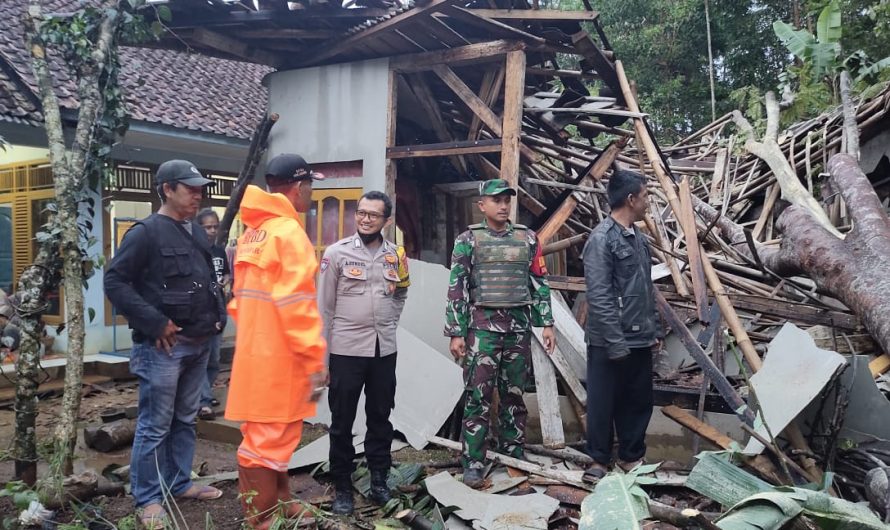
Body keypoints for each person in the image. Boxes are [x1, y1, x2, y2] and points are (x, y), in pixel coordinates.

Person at [104, 160, 226, 528]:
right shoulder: (145, 233)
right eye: (189, 188)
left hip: (198, 342)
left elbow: (206, 280)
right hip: (163, 349)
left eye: (199, 187)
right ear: (167, 190)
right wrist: (154, 322)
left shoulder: (195, 233)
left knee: (185, 420)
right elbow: (115, 283)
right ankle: (147, 497)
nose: (197, 194)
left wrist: (218, 314)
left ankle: (178, 482)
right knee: (155, 424)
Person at [224, 154, 327, 529]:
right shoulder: (289, 233)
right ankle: (263, 519)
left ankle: (281, 500)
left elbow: (238, 300)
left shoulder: (253, 234)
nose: (311, 195)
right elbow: (297, 306)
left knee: (267, 435)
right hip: (283, 356)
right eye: (311, 187)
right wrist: (314, 360)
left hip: (255, 352)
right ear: (299, 188)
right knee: (268, 441)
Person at [444, 178, 556, 488]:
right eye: (496, 200)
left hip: (518, 329)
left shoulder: (528, 238)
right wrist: (456, 332)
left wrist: (546, 323)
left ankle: (513, 454)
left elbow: (539, 282)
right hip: (482, 330)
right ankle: (473, 462)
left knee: (514, 396)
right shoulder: (469, 240)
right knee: (478, 397)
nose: (504, 205)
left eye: (507, 199)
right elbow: (457, 287)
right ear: (482, 205)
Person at [318, 191, 410, 515]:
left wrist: (389, 322)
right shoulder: (337, 254)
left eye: (373, 215)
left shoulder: (396, 255)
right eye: (361, 213)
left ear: (386, 220)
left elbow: (401, 293)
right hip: (346, 351)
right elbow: (324, 309)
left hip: (383, 350)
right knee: (341, 422)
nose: (365, 219)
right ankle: (342, 486)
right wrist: (323, 357)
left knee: (380, 419)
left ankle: (379, 482)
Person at [581, 168, 663, 482]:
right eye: (645, 196)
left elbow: (645, 289)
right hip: (609, 340)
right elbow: (599, 296)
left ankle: (631, 457)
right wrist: (616, 343)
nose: (648, 202)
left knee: (638, 401)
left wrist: (653, 330)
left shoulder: (637, 238)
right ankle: (599, 460)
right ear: (630, 199)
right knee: (604, 400)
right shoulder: (601, 239)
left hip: (639, 336)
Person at [195, 209, 230, 420]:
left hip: (219, 309)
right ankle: (204, 401)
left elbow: (226, 272)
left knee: (214, 360)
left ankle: (204, 394)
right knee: (202, 357)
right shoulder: (194, 251)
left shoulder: (219, 251)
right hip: (201, 312)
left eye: (215, 226)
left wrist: (225, 281)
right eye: (207, 227)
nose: (212, 231)